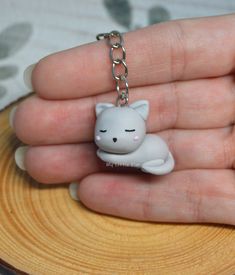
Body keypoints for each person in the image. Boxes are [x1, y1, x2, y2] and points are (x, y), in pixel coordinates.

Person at [9, 14, 235, 225]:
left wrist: (116, 157)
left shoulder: (147, 144)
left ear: (142, 118)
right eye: (105, 133)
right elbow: (107, 155)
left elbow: (110, 157)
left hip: (155, 157)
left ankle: (155, 164)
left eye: (127, 133)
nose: (115, 138)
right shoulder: (107, 133)